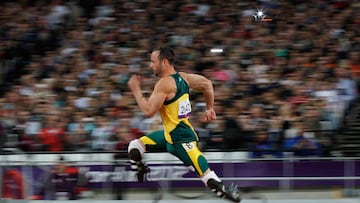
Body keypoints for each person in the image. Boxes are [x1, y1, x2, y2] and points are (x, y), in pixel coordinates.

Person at [127, 46, 241, 202]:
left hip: (181, 138)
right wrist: (209, 108)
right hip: (169, 136)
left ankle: (225, 191)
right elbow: (207, 84)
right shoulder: (184, 78)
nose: (150, 65)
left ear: (164, 62)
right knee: (135, 146)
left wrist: (136, 90)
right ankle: (140, 171)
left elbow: (148, 111)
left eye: (153, 62)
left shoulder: (164, 84)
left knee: (205, 173)